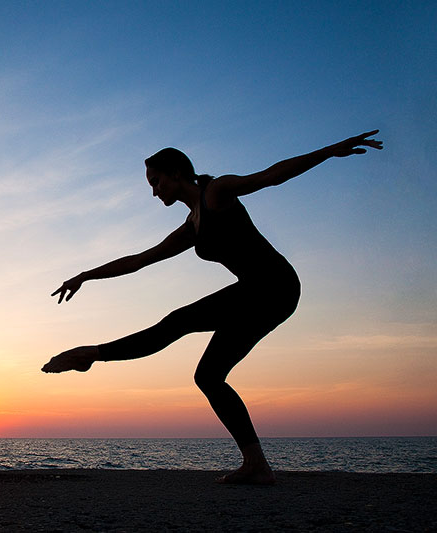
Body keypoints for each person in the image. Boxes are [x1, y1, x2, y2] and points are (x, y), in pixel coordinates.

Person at [42, 130, 383, 484]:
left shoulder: (216, 192)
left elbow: (270, 176)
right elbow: (140, 260)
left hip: (275, 286)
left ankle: (92, 355)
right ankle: (256, 466)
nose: (153, 191)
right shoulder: (191, 227)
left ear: (176, 173)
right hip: (255, 294)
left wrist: (329, 151)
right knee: (207, 376)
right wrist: (84, 275)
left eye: (156, 182)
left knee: (179, 320)